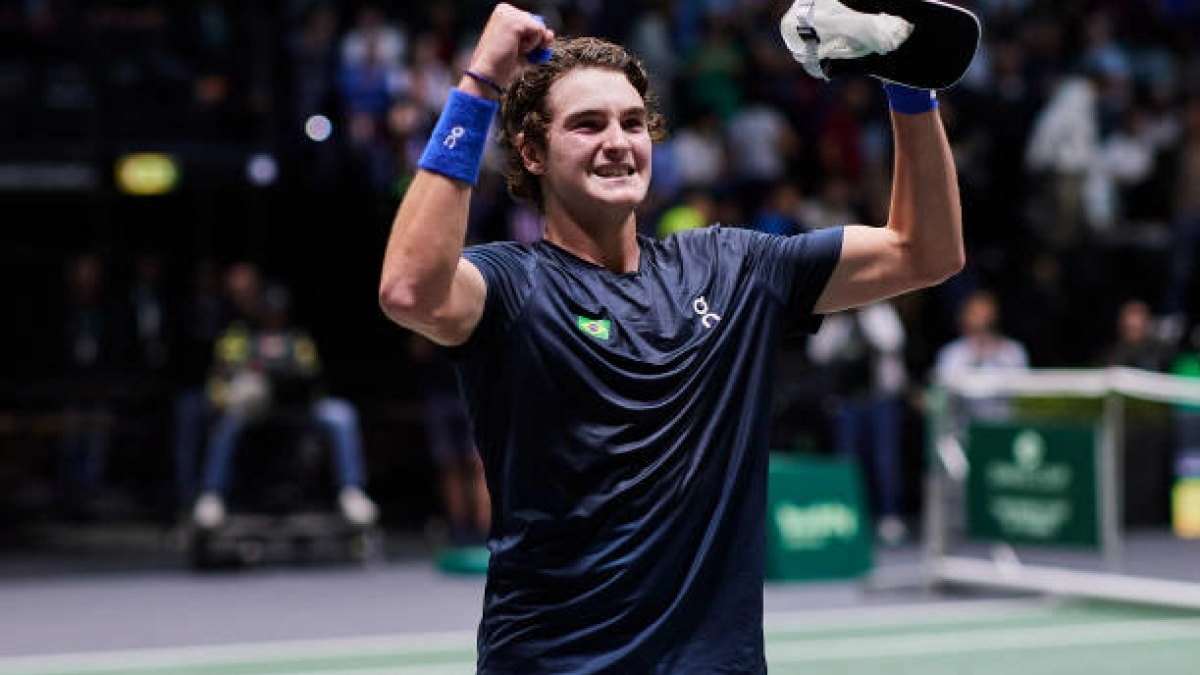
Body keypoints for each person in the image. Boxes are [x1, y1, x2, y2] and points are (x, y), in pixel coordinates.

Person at [378, 4, 963, 672]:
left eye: (633, 122)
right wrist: (480, 82)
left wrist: (908, 86)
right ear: (533, 153)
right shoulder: (511, 286)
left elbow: (924, 251)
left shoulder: (732, 267)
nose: (617, 142)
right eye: (587, 124)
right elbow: (409, 289)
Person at [192, 282, 378, 529]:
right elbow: (219, 379)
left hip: (296, 412)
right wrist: (232, 390)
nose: (274, 316)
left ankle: (351, 491)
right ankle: (211, 495)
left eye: (278, 311)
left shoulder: (298, 340)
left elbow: (312, 378)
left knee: (341, 414)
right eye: (269, 310)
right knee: (227, 422)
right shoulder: (238, 337)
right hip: (253, 412)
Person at [807, 299, 909, 545]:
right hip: (847, 401)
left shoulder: (880, 311)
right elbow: (818, 352)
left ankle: (888, 516)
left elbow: (891, 340)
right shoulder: (837, 319)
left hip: (879, 398)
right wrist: (839, 319)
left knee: (885, 460)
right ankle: (851, 514)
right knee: (847, 460)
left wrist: (865, 311)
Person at [408, 332, 490, 546]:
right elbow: (417, 351)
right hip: (438, 395)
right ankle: (459, 529)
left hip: (474, 390)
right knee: (449, 466)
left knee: (479, 464)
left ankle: (484, 529)